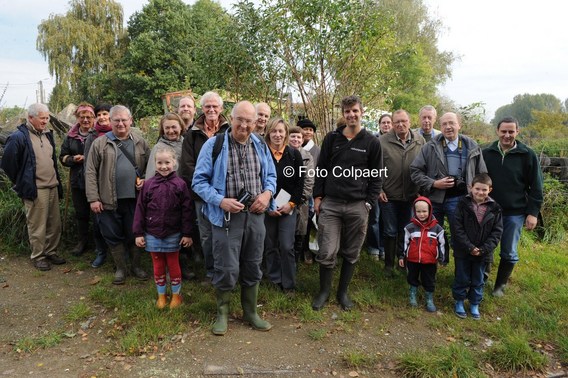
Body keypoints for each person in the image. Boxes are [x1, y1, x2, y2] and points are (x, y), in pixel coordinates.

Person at [192, 101, 276, 335]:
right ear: (231, 118)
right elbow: (198, 182)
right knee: (226, 268)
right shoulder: (214, 145)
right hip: (226, 218)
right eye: (240, 119)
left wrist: (267, 194)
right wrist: (221, 201)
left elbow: (270, 175)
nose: (245, 125)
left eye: (249, 121)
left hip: (255, 217)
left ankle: (250, 312)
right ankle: (223, 313)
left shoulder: (260, 144)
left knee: (252, 265)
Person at [311, 95, 382, 311]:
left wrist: (369, 203)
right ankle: (324, 292)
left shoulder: (371, 142)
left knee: (352, 251)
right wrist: (318, 196)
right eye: (347, 111)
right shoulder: (332, 139)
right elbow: (321, 168)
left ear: (362, 112)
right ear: (343, 114)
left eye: (355, 111)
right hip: (331, 204)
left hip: (357, 205)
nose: (351, 115)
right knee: (327, 250)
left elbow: (377, 176)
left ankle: (342, 293)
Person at [410, 112, 487, 265]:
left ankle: (461, 272)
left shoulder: (471, 146)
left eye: (451, 123)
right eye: (444, 124)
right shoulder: (430, 146)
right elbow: (415, 171)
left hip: (460, 199)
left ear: (460, 125)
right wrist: (433, 183)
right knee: (431, 235)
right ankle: (430, 268)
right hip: (434, 198)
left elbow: (482, 174)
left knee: (460, 236)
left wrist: (475, 189)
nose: (448, 127)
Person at [85, 105, 150, 285]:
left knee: (134, 232)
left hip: (134, 200)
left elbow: (150, 168)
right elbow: (90, 172)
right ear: (110, 122)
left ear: (131, 121)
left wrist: (144, 180)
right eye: (117, 120)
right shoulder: (100, 143)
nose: (121, 123)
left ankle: (136, 266)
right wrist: (94, 198)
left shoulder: (140, 142)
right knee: (112, 234)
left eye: (124, 120)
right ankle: (121, 268)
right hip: (107, 200)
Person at [482, 116, 543, 297]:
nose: (507, 135)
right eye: (504, 131)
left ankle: (500, 285)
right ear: (497, 131)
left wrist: (533, 213)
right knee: (486, 247)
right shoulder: (487, 153)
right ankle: (481, 279)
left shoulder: (527, 154)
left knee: (508, 251)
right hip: (489, 210)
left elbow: (537, 186)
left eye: (511, 131)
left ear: (518, 132)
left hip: (514, 212)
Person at [1, 103, 65, 271]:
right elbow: (8, 163)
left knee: (54, 223)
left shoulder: (47, 134)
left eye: (47, 118)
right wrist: (21, 181)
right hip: (35, 188)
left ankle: (51, 252)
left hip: (52, 185)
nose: (46, 121)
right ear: (31, 118)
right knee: (38, 225)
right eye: (42, 118)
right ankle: (38, 256)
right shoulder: (19, 137)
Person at [133, 146, 194, 309]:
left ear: (174, 163)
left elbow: (187, 211)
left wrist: (187, 233)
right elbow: (140, 209)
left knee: (173, 264)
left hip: (173, 233)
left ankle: (176, 295)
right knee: (158, 265)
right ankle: (161, 296)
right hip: (152, 233)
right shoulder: (148, 185)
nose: (163, 166)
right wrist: (138, 233)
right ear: (155, 164)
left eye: (167, 162)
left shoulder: (180, 185)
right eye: (159, 163)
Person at [180, 91, 230, 279]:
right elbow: (187, 166)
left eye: (214, 106)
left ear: (221, 109)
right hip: (201, 195)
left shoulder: (229, 131)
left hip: (225, 194)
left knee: (225, 233)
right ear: (202, 109)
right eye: (207, 106)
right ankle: (211, 270)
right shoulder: (192, 134)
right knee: (207, 235)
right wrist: (206, 188)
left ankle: (226, 268)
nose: (211, 109)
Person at [379, 110, 425, 275]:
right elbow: (374, 168)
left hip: (411, 195)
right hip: (388, 195)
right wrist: (379, 189)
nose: (400, 124)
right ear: (392, 123)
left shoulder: (420, 140)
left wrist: (421, 191)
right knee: (390, 231)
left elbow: (424, 166)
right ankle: (389, 265)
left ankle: (403, 261)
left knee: (405, 230)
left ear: (410, 121)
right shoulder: (382, 141)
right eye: (396, 122)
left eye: (403, 121)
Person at [452, 173, 502, 319]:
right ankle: (459, 301)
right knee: (461, 277)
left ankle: (474, 303)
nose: (480, 192)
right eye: (477, 189)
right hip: (463, 250)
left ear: (490, 190)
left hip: (483, 253)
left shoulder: (495, 208)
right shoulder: (462, 204)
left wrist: (483, 249)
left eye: (484, 190)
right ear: (470, 188)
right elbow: (457, 228)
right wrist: (469, 247)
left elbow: (497, 232)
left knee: (478, 279)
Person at [264, 118, 304, 293]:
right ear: (268, 133)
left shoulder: (294, 155)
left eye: (281, 131)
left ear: (286, 134)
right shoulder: (262, 154)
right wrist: (267, 206)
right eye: (274, 131)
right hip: (266, 207)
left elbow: (299, 183)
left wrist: (291, 204)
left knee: (287, 246)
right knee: (270, 245)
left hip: (288, 206)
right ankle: (275, 278)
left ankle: (289, 283)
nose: (277, 135)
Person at [59, 103, 96, 256]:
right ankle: (82, 242)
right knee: (81, 213)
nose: (85, 120)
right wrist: (73, 159)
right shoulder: (71, 136)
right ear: (77, 118)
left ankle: (100, 244)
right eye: (82, 117)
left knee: (98, 213)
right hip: (77, 181)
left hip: (96, 180)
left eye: (89, 117)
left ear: (93, 118)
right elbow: (62, 157)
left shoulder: (98, 134)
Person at [399, 196, 445, 312]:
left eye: (424, 211)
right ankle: (412, 293)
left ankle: (429, 298)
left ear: (430, 211)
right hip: (412, 260)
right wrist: (401, 256)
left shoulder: (437, 229)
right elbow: (403, 242)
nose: (421, 214)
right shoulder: (409, 228)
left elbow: (443, 244)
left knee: (429, 279)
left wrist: (442, 258)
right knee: (412, 277)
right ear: (414, 212)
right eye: (418, 211)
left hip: (429, 261)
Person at [84, 103, 112, 268]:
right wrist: (92, 192)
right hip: (99, 187)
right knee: (98, 223)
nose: (102, 117)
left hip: (118, 187)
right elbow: (88, 166)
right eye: (99, 114)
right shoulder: (92, 136)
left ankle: (122, 255)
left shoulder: (123, 132)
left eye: (105, 114)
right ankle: (101, 252)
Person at [288, 126, 315, 264]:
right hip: (283, 201)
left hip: (301, 202)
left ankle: (295, 264)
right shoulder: (282, 153)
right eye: (292, 136)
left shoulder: (307, 157)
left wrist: (298, 199)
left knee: (299, 233)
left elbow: (309, 181)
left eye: (298, 137)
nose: (295, 139)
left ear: (302, 139)